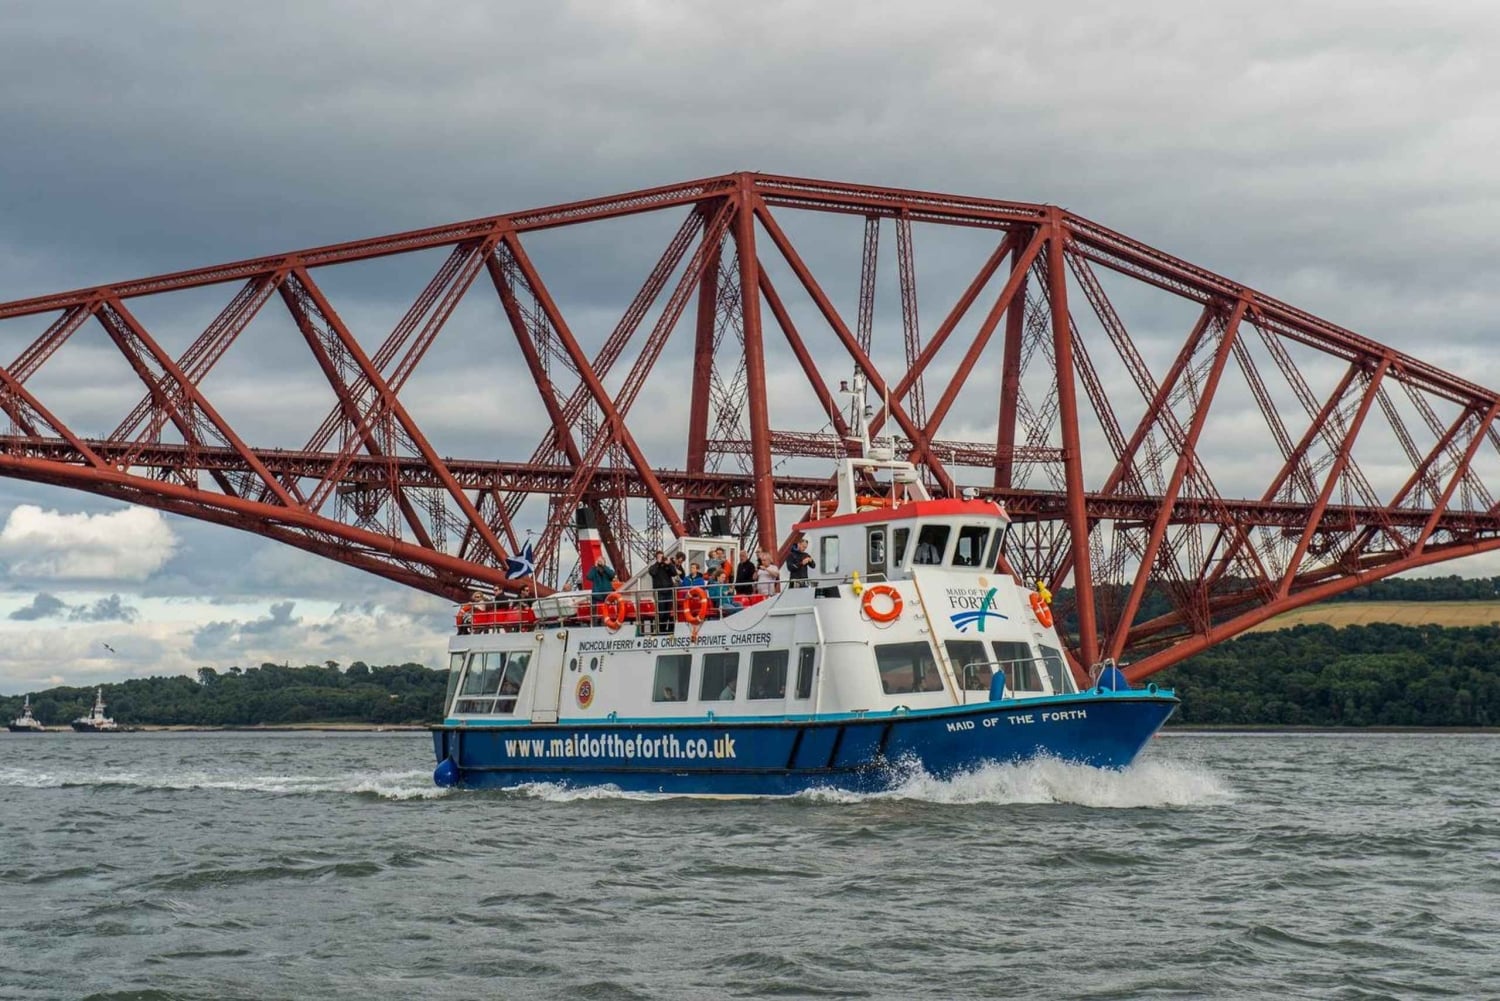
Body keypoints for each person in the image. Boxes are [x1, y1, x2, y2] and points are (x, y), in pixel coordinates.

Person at [647, 551, 676, 632]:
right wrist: (658, 563)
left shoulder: (666, 566)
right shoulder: (653, 567)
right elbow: (652, 573)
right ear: (656, 558)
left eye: (662, 556)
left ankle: (664, 629)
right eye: (659, 557)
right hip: (659, 592)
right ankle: (661, 629)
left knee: (667, 612)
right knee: (661, 613)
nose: (661, 558)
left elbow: (674, 573)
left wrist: (669, 564)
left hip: (669, 591)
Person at [585, 560, 616, 625]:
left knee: (607, 606)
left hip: (607, 594)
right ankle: (594, 623)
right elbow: (588, 577)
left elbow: (612, 574)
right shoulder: (594, 571)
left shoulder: (607, 571)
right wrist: (594, 567)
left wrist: (604, 567)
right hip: (597, 594)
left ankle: (606, 621)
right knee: (593, 606)